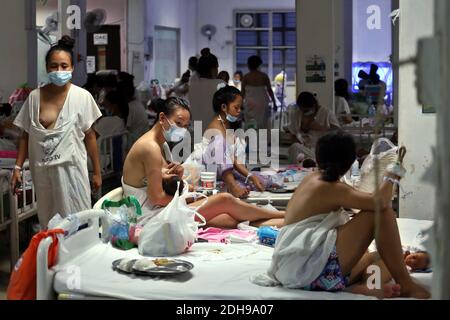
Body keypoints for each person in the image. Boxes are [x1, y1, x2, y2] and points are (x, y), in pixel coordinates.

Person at [265, 131, 430, 299]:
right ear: (351, 162)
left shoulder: (314, 179)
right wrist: (392, 174)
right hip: (306, 269)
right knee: (382, 214)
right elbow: (379, 203)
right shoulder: (329, 186)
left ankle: (367, 286)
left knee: (386, 255)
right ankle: (406, 285)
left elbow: (363, 201)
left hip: (297, 268)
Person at [121, 97, 284, 229]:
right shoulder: (150, 147)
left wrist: (175, 176)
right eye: (178, 124)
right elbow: (157, 197)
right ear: (162, 117)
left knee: (227, 219)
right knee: (224, 200)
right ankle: (282, 215)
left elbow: (160, 180)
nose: (182, 130)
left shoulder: (161, 144)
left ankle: (285, 221)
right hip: (148, 215)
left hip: (159, 208)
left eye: (185, 126)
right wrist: (189, 197)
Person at [11, 35, 102, 228]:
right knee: (50, 224)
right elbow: (25, 135)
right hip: (43, 173)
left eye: (64, 65)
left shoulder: (82, 97)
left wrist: (97, 172)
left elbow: (91, 136)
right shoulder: (35, 98)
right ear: (46, 68)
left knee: (78, 224)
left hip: (72, 172)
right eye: (54, 66)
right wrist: (18, 168)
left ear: (71, 68)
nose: (59, 70)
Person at [286, 92, 340, 163]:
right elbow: (292, 133)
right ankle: (295, 170)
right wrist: (298, 141)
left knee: (295, 148)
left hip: (321, 149)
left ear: (314, 105)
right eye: (302, 110)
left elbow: (338, 132)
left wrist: (322, 128)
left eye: (306, 110)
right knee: (294, 147)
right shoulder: (297, 114)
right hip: (306, 148)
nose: (304, 113)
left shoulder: (326, 113)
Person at [188, 48, 225, 131]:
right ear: (213, 69)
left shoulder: (192, 86)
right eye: (217, 67)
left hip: (198, 132)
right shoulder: (220, 84)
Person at [242, 55, 277, 130]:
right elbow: (270, 90)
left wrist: (240, 105)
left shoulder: (246, 77)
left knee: (250, 126)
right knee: (263, 126)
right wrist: (274, 103)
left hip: (250, 104)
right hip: (262, 103)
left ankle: (251, 140)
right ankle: (263, 141)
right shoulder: (264, 76)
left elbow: (242, 93)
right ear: (259, 65)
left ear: (248, 65)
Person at [117, 73, 150, 146]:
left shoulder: (130, 107)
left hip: (136, 141)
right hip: (143, 138)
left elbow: (125, 128)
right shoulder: (138, 104)